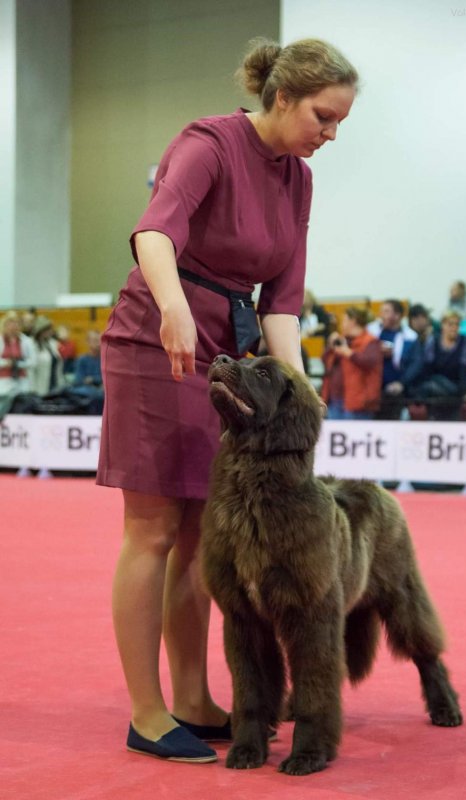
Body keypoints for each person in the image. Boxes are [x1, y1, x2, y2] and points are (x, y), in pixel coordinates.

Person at [96, 37, 358, 763]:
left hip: (229, 355)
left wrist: (301, 393)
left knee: (201, 540)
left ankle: (190, 695)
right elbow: (154, 232)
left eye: (338, 123)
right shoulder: (207, 142)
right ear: (281, 98)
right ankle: (146, 713)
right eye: (323, 117)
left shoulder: (298, 180)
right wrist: (174, 307)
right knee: (151, 530)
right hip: (157, 341)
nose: (329, 134)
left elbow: (282, 302)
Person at [408, 310, 466, 421]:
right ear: (442, 325)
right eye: (450, 324)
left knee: (436, 386)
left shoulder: (464, 342)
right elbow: (427, 367)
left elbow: (464, 368)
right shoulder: (433, 341)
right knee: (431, 385)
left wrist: (463, 392)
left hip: (455, 386)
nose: (454, 327)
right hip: (435, 387)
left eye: (457, 324)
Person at [321, 307, 382, 419]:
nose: (342, 324)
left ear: (353, 321)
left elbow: (369, 362)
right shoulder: (342, 340)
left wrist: (348, 352)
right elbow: (326, 361)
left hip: (359, 401)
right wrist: (330, 346)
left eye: (344, 320)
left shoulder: (371, 341)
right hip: (335, 399)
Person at [368, 299, 417, 419]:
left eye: (386, 311)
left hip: (396, 389)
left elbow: (415, 364)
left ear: (397, 315)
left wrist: (402, 383)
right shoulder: (371, 330)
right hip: (373, 388)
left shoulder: (410, 336)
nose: (381, 315)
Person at [0, 311, 35, 398]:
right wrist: (6, 363)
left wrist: (18, 364)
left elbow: (33, 361)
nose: (13, 326)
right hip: (3, 380)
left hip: (22, 380)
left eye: (16, 323)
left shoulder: (27, 341)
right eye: (10, 323)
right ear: (5, 325)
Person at [30, 316, 64, 396]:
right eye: (49, 329)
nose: (51, 331)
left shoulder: (53, 344)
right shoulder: (32, 345)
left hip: (55, 384)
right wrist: (32, 389)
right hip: (39, 387)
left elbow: (58, 365)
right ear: (42, 330)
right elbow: (31, 370)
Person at [72, 330, 104, 414]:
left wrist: (92, 379)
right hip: (87, 396)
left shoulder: (105, 360)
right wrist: (97, 380)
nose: (97, 343)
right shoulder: (82, 360)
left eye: (99, 340)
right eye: (94, 340)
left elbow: (107, 380)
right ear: (88, 342)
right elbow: (78, 381)